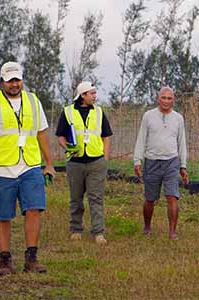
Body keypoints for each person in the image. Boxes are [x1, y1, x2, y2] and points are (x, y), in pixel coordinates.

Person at [0, 61, 56, 275]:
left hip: (29, 166)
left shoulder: (33, 101)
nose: (14, 84)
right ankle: (5, 260)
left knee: (34, 209)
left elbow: (41, 133)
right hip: (1, 169)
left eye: (17, 79)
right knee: (4, 215)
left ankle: (31, 258)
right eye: (10, 80)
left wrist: (49, 163)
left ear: (22, 80)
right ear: (2, 81)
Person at [56, 81, 112, 244]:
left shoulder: (99, 112)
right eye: (91, 93)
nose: (95, 96)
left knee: (96, 198)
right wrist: (67, 147)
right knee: (76, 198)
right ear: (82, 95)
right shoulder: (67, 112)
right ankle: (75, 229)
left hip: (96, 161)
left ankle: (98, 232)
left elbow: (106, 136)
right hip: (75, 162)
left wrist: (105, 157)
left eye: (95, 93)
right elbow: (60, 136)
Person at [133, 86, 188, 240]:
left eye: (169, 98)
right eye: (163, 98)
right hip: (152, 161)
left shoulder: (178, 118)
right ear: (158, 99)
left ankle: (172, 232)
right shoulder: (148, 116)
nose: (166, 101)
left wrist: (183, 166)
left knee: (172, 196)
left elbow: (182, 142)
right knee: (150, 199)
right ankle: (147, 226)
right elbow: (141, 138)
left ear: (173, 100)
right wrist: (137, 161)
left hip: (171, 161)